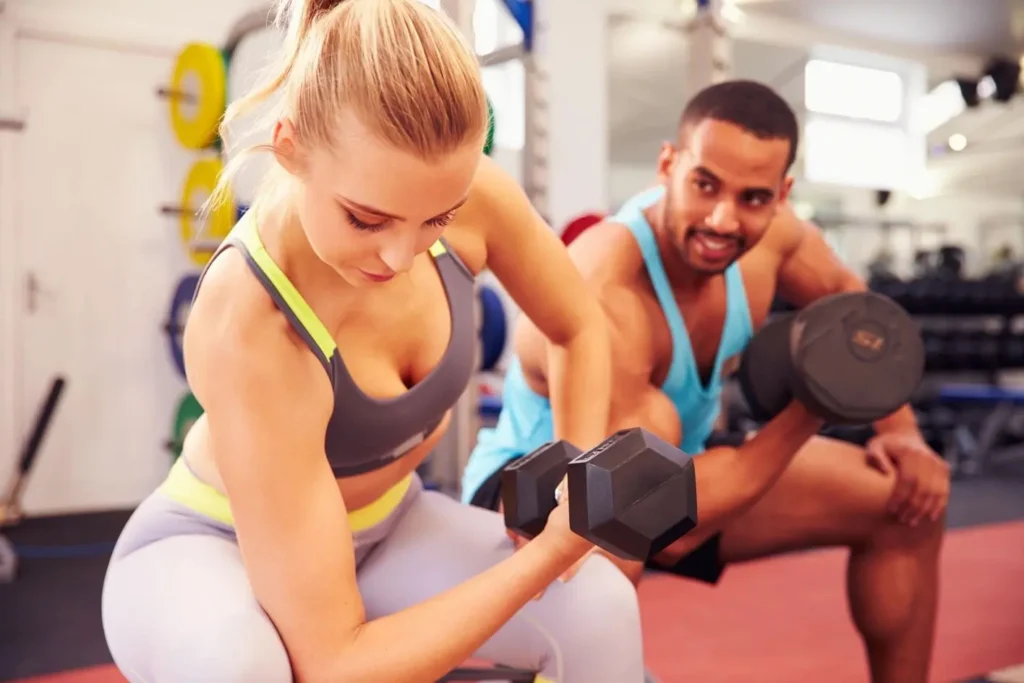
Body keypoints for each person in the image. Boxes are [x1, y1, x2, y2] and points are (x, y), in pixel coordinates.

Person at [100, 1, 648, 681]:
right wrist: (551, 552)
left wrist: (574, 471)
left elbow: (579, 326)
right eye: (366, 219)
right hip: (211, 549)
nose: (399, 256)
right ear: (288, 147)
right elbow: (336, 663)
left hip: (394, 524)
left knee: (599, 604)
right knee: (240, 667)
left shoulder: (475, 195)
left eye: (434, 220)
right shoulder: (250, 321)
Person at [462, 80, 949, 683]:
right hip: (541, 497)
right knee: (648, 438)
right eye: (705, 185)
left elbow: (854, 306)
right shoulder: (609, 285)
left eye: (753, 198)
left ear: (782, 194)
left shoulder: (776, 241)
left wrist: (903, 434)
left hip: (674, 476)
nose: (724, 219)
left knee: (906, 502)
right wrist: (812, 409)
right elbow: (630, 510)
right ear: (669, 164)